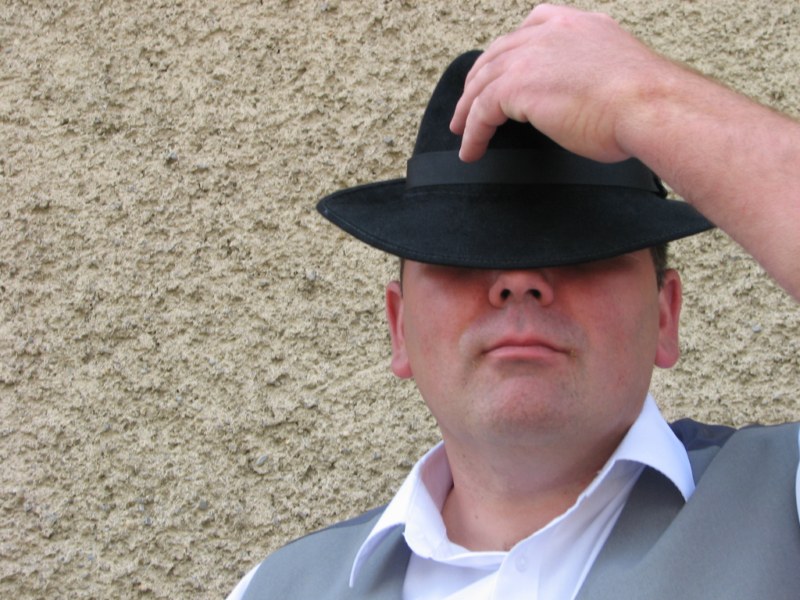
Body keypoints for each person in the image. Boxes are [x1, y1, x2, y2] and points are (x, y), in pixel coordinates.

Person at [229, 5, 800, 599]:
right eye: (462, 252)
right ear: (399, 328)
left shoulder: (786, 503)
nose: (520, 282)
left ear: (664, 315)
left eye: (584, 248)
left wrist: (641, 98)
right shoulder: (274, 590)